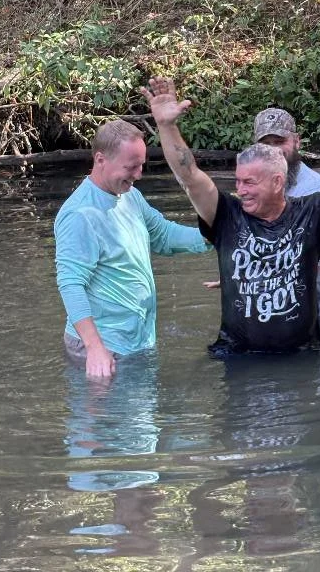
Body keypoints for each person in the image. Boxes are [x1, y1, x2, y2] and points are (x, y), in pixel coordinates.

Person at [141, 76, 320, 357]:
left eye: (250, 183)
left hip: (301, 357)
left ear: (277, 182)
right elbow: (189, 176)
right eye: (239, 181)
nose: (240, 191)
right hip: (238, 356)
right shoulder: (226, 215)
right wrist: (167, 126)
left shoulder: (312, 212)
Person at [54, 119, 210, 380]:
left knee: (139, 417)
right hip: (103, 348)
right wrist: (95, 348)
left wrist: (214, 236)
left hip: (137, 340)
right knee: (112, 419)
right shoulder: (79, 214)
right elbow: (70, 284)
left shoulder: (130, 196)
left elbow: (163, 235)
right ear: (100, 159)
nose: (139, 175)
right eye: (131, 167)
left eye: (141, 165)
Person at [252, 107, 320, 318]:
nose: (274, 150)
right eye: (266, 144)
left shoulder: (314, 187)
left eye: (279, 142)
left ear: (296, 141)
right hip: (276, 293)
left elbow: (310, 253)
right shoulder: (256, 185)